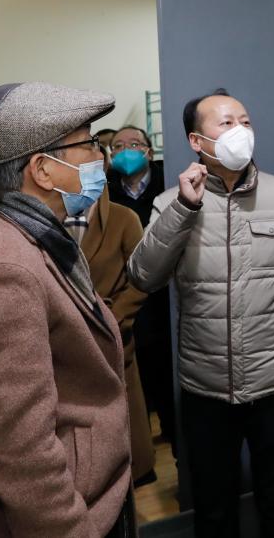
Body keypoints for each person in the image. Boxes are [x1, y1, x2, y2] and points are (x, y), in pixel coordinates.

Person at [0, 83, 133, 537]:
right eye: (87, 145)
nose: (100, 158)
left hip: (89, 493)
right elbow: (17, 452)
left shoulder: (25, 232)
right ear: (43, 170)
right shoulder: (2, 268)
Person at [126, 89, 274, 538]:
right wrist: (184, 207)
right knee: (214, 509)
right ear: (197, 141)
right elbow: (144, 276)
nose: (241, 130)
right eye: (226, 123)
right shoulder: (170, 202)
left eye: (245, 121)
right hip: (205, 387)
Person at [80, 188, 157, 486]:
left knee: (127, 440)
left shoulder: (123, 218)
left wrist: (114, 318)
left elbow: (142, 278)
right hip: (66, 345)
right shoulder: (46, 218)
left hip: (113, 339)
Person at [106, 126, 176, 449]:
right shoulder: (104, 193)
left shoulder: (168, 184)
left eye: (134, 144)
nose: (126, 151)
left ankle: (176, 442)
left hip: (166, 300)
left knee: (168, 384)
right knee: (136, 388)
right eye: (118, 146)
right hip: (125, 302)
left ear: (149, 150)